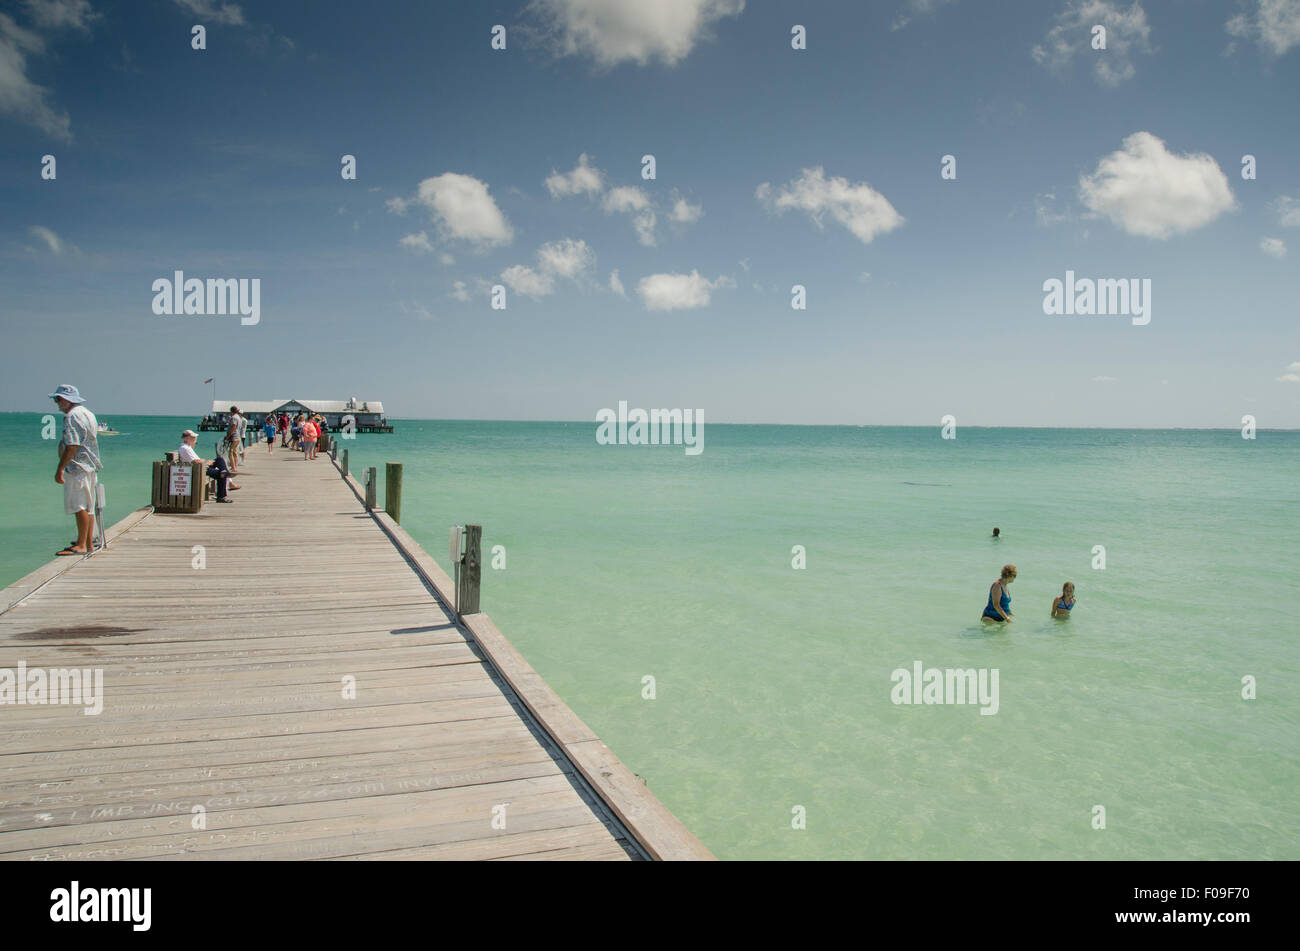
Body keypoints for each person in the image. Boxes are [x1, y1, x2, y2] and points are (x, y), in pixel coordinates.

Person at [49, 384, 102, 556]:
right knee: (89, 506)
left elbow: (72, 445)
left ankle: (80, 544)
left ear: (67, 399)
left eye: (58, 399)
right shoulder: (88, 413)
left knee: (79, 505)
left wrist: (60, 468)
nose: (57, 403)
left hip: (77, 467)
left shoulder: (72, 416)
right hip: (90, 466)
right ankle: (88, 543)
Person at [179, 429, 238, 502]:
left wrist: (206, 462)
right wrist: (206, 462)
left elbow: (196, 460)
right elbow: (195, 462)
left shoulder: (187, 447)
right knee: (221, 474)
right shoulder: (185, 448)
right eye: (193, 437)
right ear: (186, 439)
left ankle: (224, 472)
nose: (195, 439)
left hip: (201, 467)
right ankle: (221, 496)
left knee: (219, 460)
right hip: (200, 469)